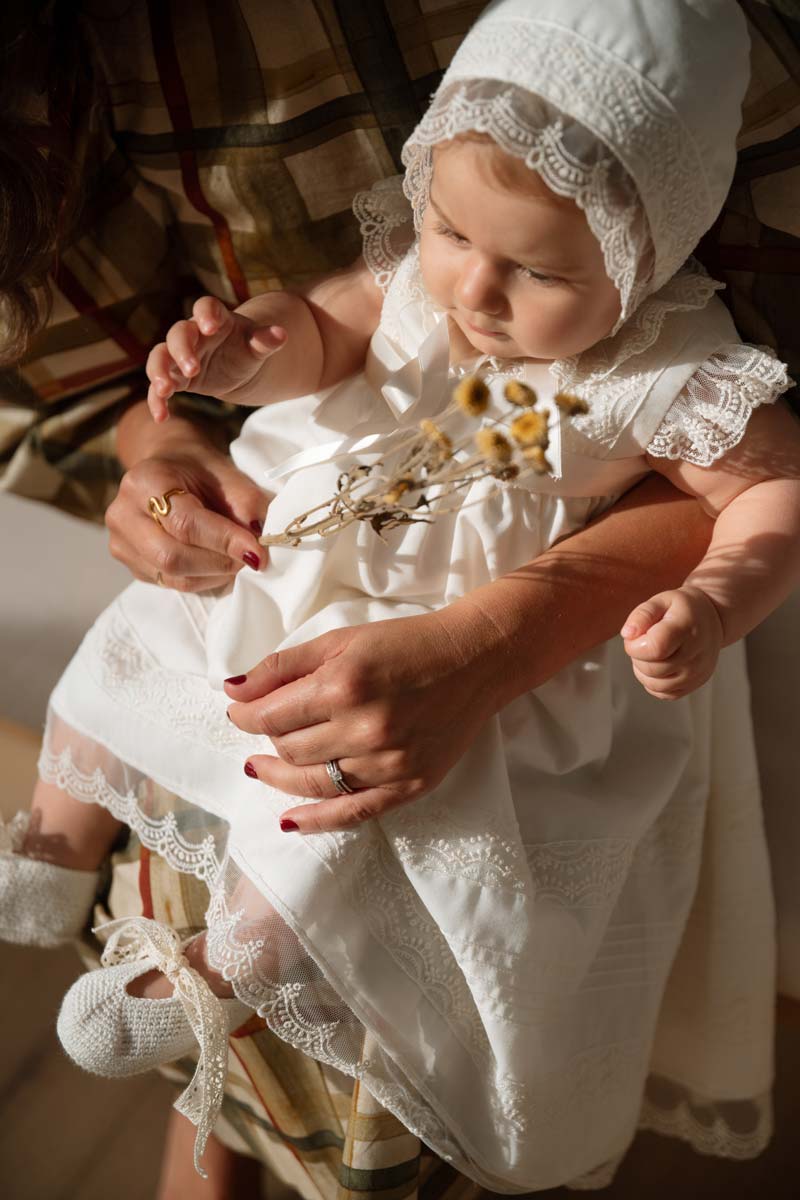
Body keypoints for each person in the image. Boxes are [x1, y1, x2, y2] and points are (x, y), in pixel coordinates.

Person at [1, 0, 798, 1195]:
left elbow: (767, 495)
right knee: (137, 638)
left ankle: (222, 977)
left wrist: (719, 600)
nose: (473, 290)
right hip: (289, 557)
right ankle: (49, 849)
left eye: (535, 270)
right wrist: (237, 355)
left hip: (464, 643)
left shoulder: (665, 366)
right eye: (447, 232)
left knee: (333, 816)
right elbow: (320, 331)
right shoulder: (426, 276)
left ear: (644, 255)